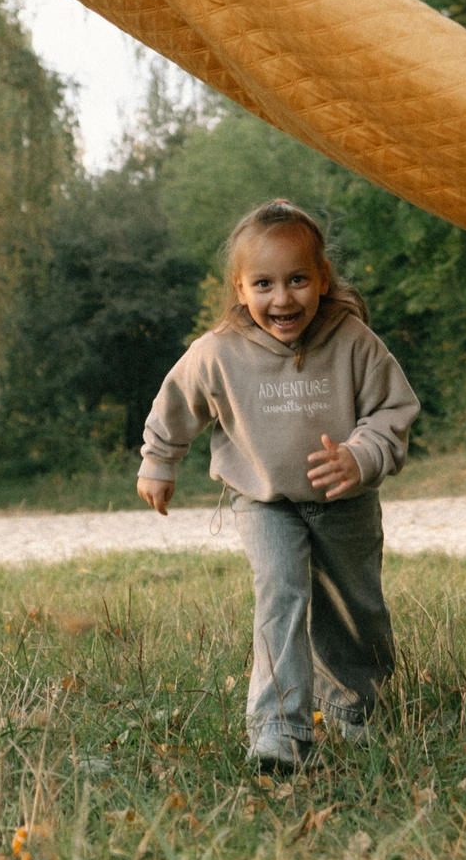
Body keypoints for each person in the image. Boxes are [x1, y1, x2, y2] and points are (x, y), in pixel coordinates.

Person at [136, 199, 422, 771]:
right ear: (240, 289)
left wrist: (361, 456)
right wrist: (158, 461)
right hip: (265, 503)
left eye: (297, 280)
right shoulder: (218, 353)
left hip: (346, 503)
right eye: (263, 283)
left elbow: (394, 410)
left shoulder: (353, 341)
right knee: (281, 593)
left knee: (354, 607)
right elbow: (176, 404)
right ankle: (279, 732)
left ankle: (356, 707)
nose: (282, 298)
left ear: (321, 280)